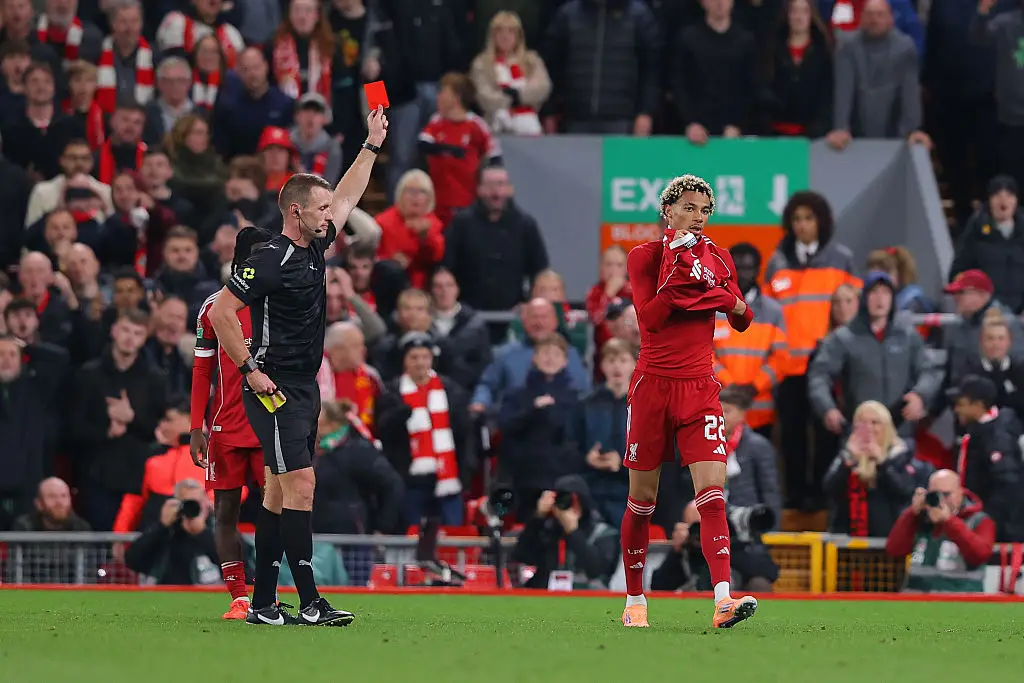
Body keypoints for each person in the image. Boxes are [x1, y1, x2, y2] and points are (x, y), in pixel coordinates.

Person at [207, 106, 388, 627]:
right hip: (274, 386)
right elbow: (220, 313)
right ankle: (309, 601)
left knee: (277, 490)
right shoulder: (270, 258)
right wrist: (249, 370)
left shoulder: (314, 243)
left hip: (302, 385)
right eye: (322, 208)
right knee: (301, 485)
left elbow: (350, 195)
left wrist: (371, 144)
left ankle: (264, 603)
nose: (332, 214)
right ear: (295, 213)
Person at [619, 174, 757, 629]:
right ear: (668, 212)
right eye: (690, 208)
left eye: (705, 210)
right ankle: (635, 599)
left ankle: (723, 599)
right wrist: (691, 287)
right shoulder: (645, 256)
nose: (698, 218)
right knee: (643, 502)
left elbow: (743, 317)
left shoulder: (718, 256)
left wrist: (709, 294)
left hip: (700, 387)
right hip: (652, 388)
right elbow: (651, 319)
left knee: (713, 498)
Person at [190, 226, 274, 620]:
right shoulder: (213, 308)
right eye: (257, 255)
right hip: (224, 429)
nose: (263, 262)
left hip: (271, 422)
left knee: (278, 509)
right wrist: (195, 427)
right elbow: (202, 371)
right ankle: (239, 596)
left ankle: (268, 595)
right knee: (226, 511)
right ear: (239, 261)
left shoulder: (279, 302)